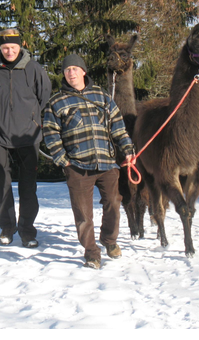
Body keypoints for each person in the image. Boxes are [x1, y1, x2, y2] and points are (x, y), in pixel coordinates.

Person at [43, 53, 135, 269]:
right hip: (77, 166)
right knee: (83, 213)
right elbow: (50, 133)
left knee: (113, 203)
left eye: (75, 69)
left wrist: (128, 149)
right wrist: (62, 159)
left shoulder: (102, 96)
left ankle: (109, 240)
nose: (71, 73)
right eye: (67, 70)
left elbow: (118, 126)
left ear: (84, 71)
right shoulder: (56, 102)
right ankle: (91, 252)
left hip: (107, 163)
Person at [0, 29, 52, 248]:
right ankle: (7, 227)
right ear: (0, 48)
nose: (9, 51)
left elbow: (44, 96)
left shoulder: (33, 69)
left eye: (13, 47)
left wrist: (31, 120)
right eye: (5, 48)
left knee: (28, 186)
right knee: (1, 184)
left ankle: (27, 231)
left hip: (27, 136)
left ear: (20, 46)